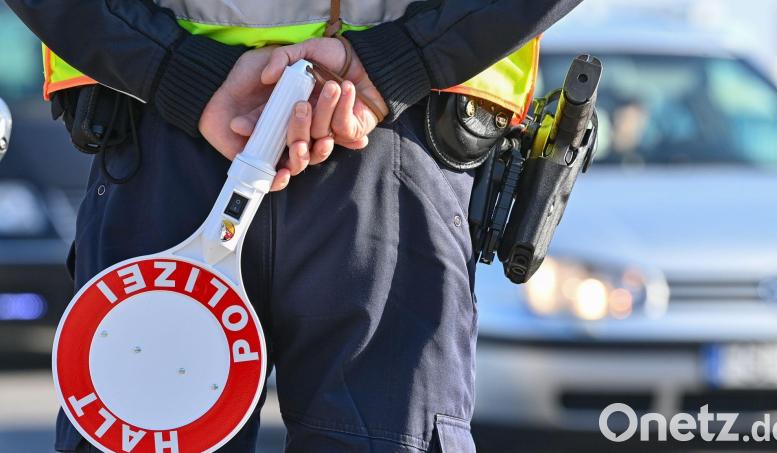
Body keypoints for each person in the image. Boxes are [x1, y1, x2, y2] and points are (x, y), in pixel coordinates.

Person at [6, 1, 582, 451]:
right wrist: (404, 59)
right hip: (391, 145)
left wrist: (169, 65)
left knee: (147, 419)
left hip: (166, 130)